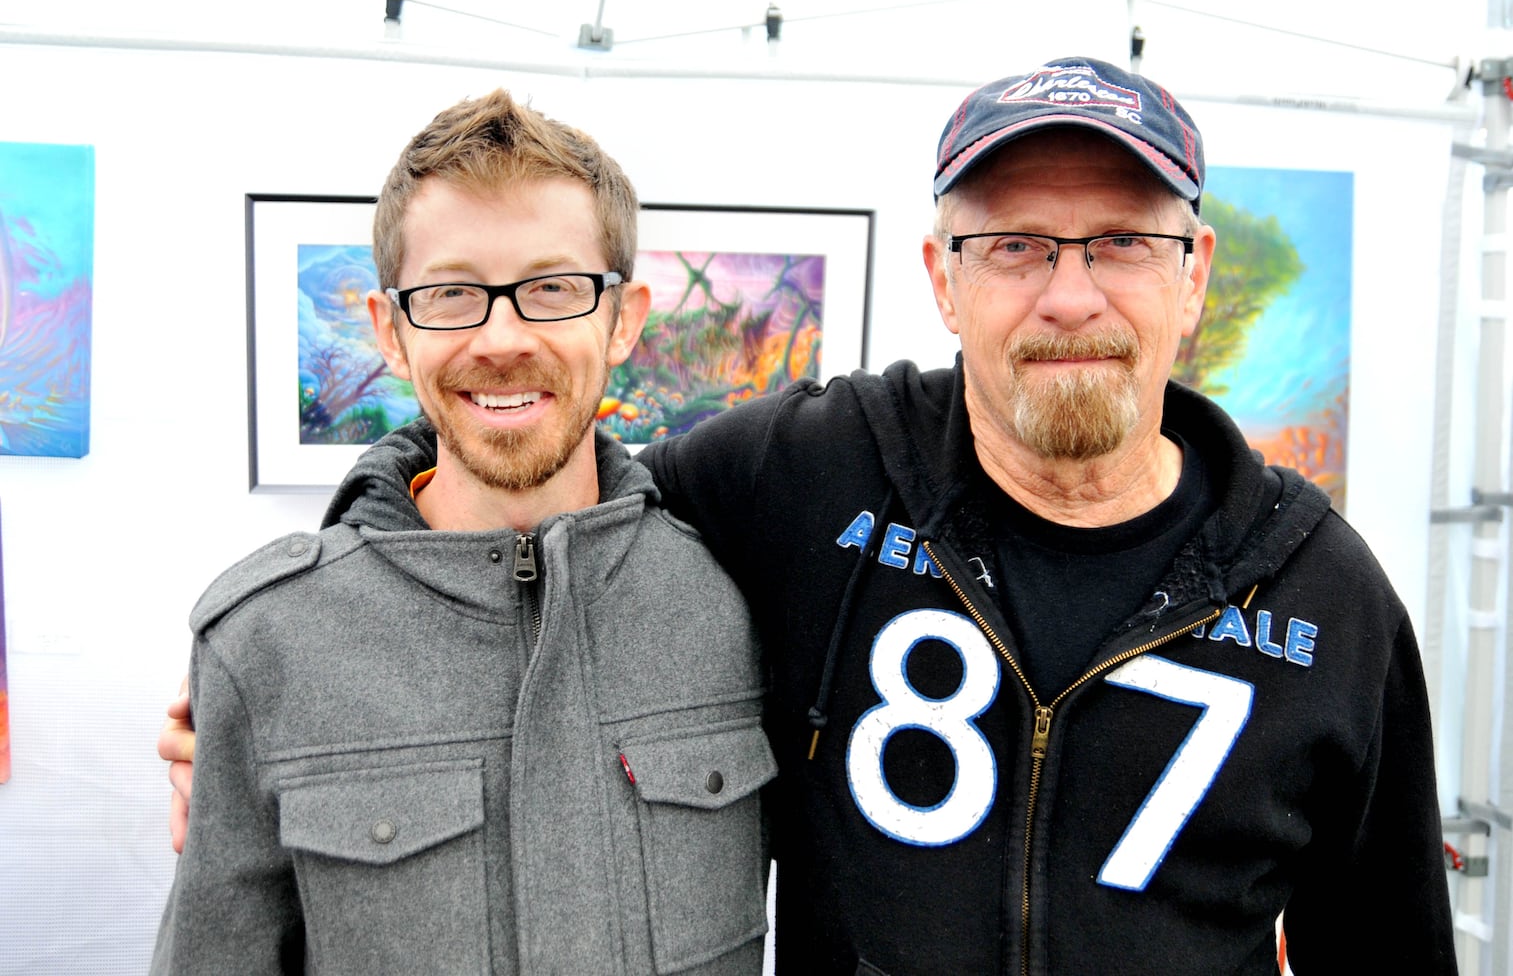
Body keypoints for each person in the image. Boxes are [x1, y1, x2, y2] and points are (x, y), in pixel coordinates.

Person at [163, 56, 1457, 974]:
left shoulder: (1321, 592)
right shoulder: (809, 474)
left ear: (1194, 275)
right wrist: (292, 662)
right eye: (1012, 245)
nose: (1069, 296)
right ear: (940, 278)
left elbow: (1386, 943)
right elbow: (531, 499)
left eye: (1119, 240)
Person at [151, 89, 773, 975]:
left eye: (553, 288)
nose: (503, 336)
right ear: (391, 333)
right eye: (451, 294)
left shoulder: (739, 599)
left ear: (623, 318)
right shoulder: (267, 641)